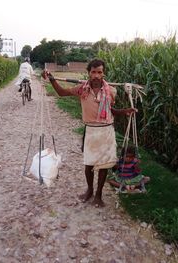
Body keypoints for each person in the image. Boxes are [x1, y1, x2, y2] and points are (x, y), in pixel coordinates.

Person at [42, 58, 137, 207]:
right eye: (93, 72)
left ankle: (98, 195)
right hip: (91, 130)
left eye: (99, 72)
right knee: (88, 164)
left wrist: (125, 111)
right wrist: (51, 79)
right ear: (88, 73)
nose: (97, 76)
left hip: (106, 131)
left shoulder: (111, 91)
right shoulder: (82, 89)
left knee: (104, 165)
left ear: (103, 73)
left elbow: (111, 111)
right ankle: (90, 191)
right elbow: (61, 92)